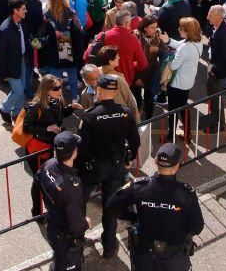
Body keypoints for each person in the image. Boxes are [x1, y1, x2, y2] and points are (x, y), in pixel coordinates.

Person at [106, 143, 205, 270]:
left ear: (155, 161)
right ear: (176, 167)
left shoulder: (139, 187)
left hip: (145, 255)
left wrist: (133, 217)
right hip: (175, 257)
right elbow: (197, 227)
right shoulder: (186, 194)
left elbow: (112, 205)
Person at [78, 74, 140, 259]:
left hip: (93, 168)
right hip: (116, 166)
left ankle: (78, 244)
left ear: (99, 90)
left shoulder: (90, 116)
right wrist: (130, 156)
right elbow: (134, 141)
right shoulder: (125, 112)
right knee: (110, 208)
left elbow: (81, 148)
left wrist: (79, 167)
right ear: (114, 91)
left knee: (80, 203)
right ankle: (109, 246)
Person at [21, 75, 82, 218]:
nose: (60, 90)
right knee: (39, 181)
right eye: (56, 88)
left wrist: (70, 108)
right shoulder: (36, 106)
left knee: (46, 179)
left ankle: (48, 207)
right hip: (37, 149)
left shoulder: (57, 100)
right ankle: (37, 212)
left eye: (60, 86)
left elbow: (59, 115)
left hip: (49, 147)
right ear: (46, 89)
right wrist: (46, 128)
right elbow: (27, 127)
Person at [38, 131, 88, 271]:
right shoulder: (72, 186)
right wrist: (85, 223)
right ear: (74, 153)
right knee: (66, 263)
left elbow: (38, 183)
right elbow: (75, 223)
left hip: (53, 222)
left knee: (59, 255)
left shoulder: (48, 165)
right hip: (65, 236)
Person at [0, 0, 31, 124]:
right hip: (11, 65)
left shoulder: (21, 22)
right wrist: (4, 73)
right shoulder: (4, 30)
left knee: (21, 89)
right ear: (15, 11)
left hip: (21, 60)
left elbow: (24, 39)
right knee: (19, 91)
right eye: (23, 9)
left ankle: (16, 113)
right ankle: (4, 108)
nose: (26, 11)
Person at [206, 5, 226, 131]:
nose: (208, 16)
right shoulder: (220, 27)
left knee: (215, 98)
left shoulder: (224, 32)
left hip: (217, 71)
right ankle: (215, 122)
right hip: (215, 66)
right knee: (213, 98)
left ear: (219, 16)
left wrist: (214, 71)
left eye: (210, 15)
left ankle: (217, 125)